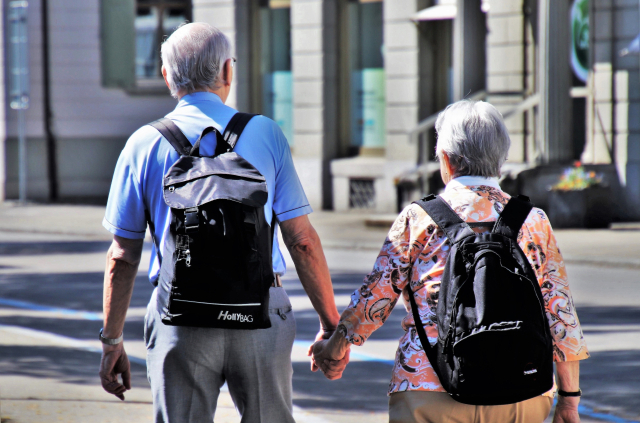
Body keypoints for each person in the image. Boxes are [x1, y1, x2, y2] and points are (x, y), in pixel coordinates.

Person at [98, 22, 342, 423]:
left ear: (166, 76)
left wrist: (112, 342)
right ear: (228, 71)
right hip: (261, 312)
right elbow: (301, 241)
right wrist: (331, 325)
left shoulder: (142, 143)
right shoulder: (265, 133)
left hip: (180, 316)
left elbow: (122, 256)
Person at [312, 100, 589, 423]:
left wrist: (336, 345)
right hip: (521, 390)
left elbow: (375, 298)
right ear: (501, 158)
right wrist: (569, 399)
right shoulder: (533, 221)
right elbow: (561, 314)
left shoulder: (418, 218)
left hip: (427, 388)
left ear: (445, 159)